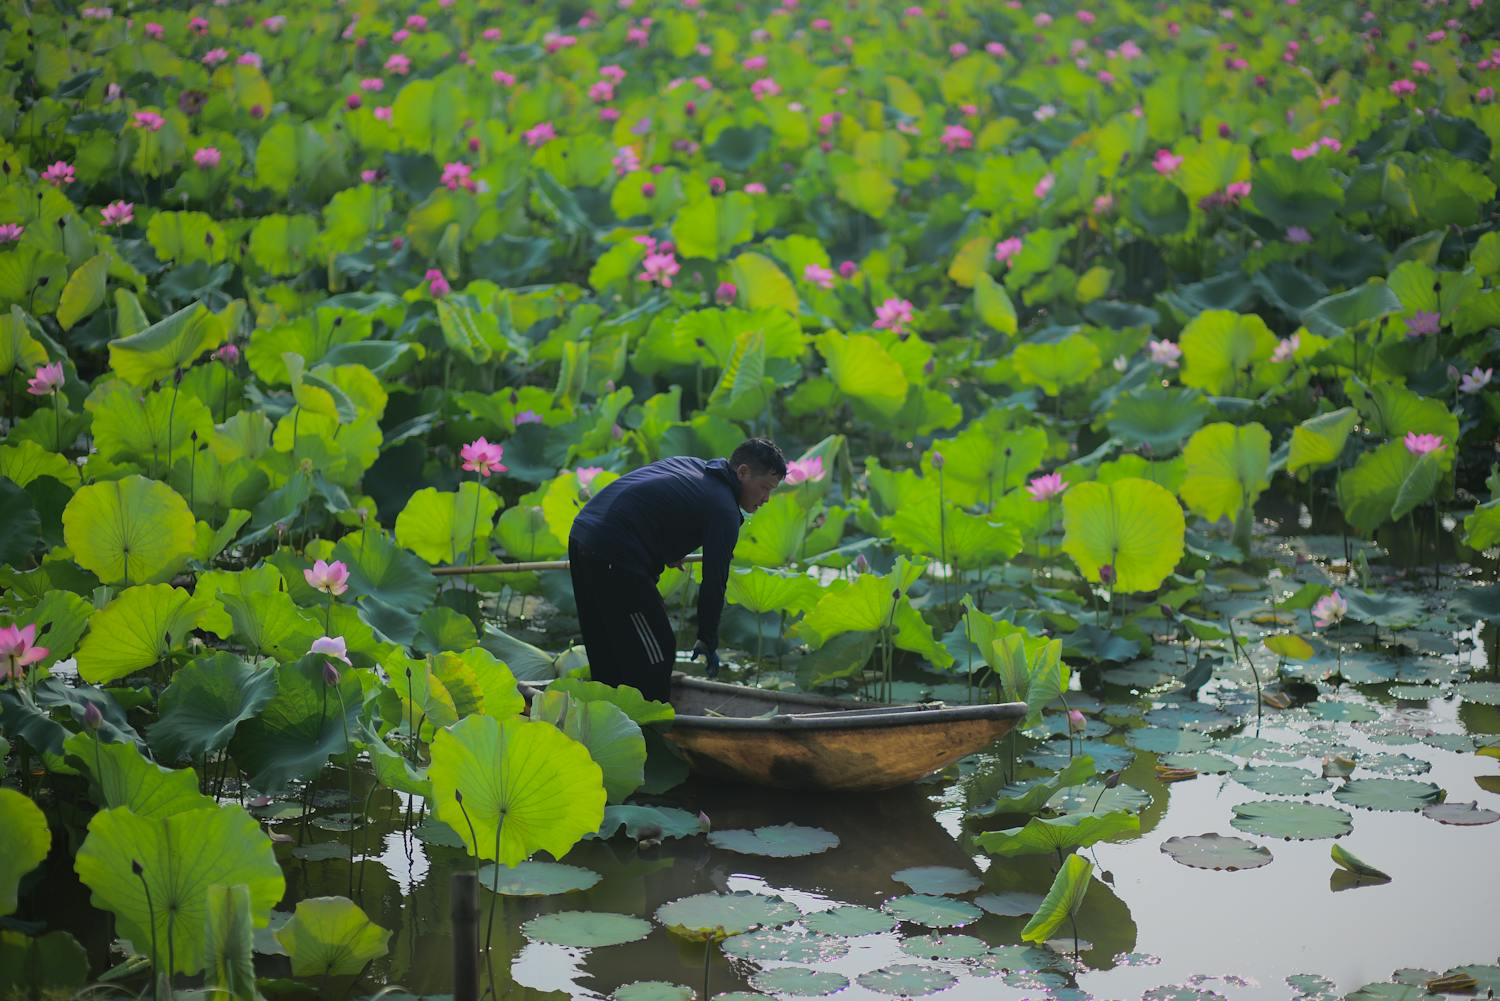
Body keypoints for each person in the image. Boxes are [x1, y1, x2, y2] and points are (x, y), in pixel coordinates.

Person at [567, 439, 786, 702]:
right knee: (659, 648)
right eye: (764, 488)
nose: (766, 499)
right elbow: (714, 581)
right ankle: (652, 724)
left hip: (582, 534)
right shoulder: (724, 510)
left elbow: (652, 504)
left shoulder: (691, 466)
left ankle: (608, 716)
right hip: (615, 554)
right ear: (742, 472)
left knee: (606, 644)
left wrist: (669, 551)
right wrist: (707, 638)